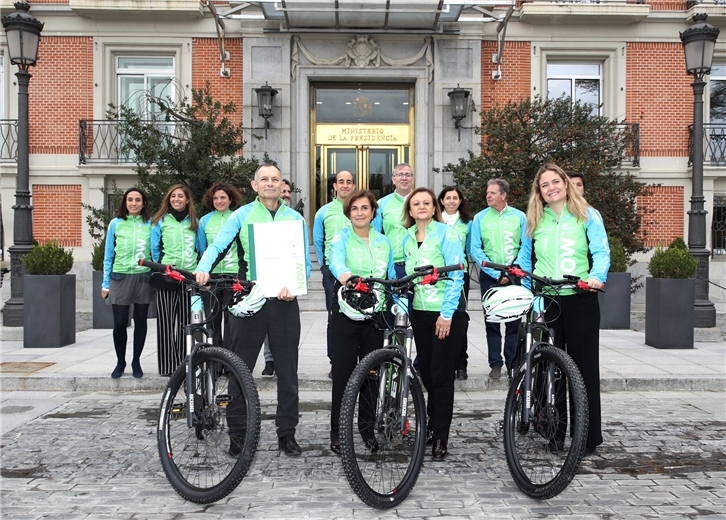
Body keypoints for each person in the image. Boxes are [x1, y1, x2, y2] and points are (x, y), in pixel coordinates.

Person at [195, 163, 312, 457]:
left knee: (288, 374)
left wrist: (295, 286)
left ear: (281, 183)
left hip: (284, 303)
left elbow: (305, 264)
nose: (270, 183)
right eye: (265, 179)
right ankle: (238, 434)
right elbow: (218, 245)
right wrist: (202, 269)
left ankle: (287, 434)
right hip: (250, 303)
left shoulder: (295, 217)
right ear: (255, 185)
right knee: (239, 371)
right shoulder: (241, 215)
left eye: (275, 179)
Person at [519, 162, 610, 457]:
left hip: (580, 298)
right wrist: (526, 289)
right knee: (552, 370)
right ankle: (555, 434)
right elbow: (524, 260)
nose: (551, 188)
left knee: (584, 370)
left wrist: (597, 276)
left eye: (555, 182)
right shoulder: (534, 221)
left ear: (565, 184)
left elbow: (600, 251)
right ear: (539, 192)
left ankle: (587, 436)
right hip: (549, 301)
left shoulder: (586, 215)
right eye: (545, 185)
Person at [327, 189, 395, 454]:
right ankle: (338, 432)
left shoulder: (383, 241)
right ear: (348, 213)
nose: (359, 213)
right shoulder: (341, 238)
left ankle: (367, 430)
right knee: (343, 375)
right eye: (354, 209)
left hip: (375, 315)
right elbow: (335, 261)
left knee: (371, 375)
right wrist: (346, 276)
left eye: (364, 208)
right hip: (347, 313)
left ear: (373, 212)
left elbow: (389, 273)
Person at [402, 187, 465, 461]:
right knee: (426, 372)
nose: (422, 207)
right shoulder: (406, 237)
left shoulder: (446, 233)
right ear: (410, 210)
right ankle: (432, 423)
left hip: (445, 314)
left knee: (441, 376)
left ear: (434, 206)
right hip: (420, 312)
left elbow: (457, 275)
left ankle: (441, 436)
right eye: (416, 203)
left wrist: (447, 314)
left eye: (426, 202)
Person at [468, 179, 528, 380]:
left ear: (504, 195)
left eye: (493, 192)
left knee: (513, 321)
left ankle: (512, 363)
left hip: (515, 275)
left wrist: (512, 272)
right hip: (490, 276)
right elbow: (474, 248)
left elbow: (525, 246)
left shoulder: (520, 217)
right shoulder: (479, 218)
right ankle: (495, 364)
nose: (488, 195)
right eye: (487, 192)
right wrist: (496, 273)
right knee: (491, 321)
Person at [151, 184, 204, 376]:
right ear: (169, 199)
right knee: (165, 321)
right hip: (166, 276)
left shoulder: (194, 222)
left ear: (187, 199)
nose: (177, 199)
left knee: (184, 323)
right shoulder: (160, 221)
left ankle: (183, 363)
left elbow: (200, 248)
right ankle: (167, 366)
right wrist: (160, 268)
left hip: (188, 277)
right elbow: (154, 249)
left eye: (180, 196)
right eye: (173, 196)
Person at [102, 187, 153, 379]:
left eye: (138, 200)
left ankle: (136, 361)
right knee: (120, 322)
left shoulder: (150, 224)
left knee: (140, 321)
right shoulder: (115, 224)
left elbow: (154, 251)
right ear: (124, 203)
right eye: (130, 200)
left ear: (143, 203)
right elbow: (108, 255)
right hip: (120, 276)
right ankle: (120, 361)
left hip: (143, 277)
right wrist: (105, 284)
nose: (134, 203)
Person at [313, 170, 355, 377]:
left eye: (349, 182)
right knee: (335, 318)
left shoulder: (360, 209)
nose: (345, 185)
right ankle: (335, 361)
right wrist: (323, 266)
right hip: (333, 275)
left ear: (353, 186)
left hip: (357, 273)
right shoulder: (324, 212)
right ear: (335, 186)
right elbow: (318, 240)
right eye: (341, 182)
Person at [198, 182, 243, 350]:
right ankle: (215, 362)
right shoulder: (204, 221)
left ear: (230, 199)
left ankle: (230, 362)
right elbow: (203, 249)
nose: (219, 201)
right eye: (215, 198)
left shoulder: (238, 217)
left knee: (232, 322)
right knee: (212, 321)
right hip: (212, 277)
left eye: (223, 197)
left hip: (234, 275)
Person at [437, 186, 472, 381]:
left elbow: (468, 249)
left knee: (459, 319)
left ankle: (461, 363)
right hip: (439, 276)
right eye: (447, 198)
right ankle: (446, 362)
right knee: (441, 317)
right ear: (441, 201)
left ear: (460, 201)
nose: (451, 201)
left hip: (459, 275)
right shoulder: (436, 222)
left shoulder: (467, 223)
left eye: (455, 198)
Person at [372, 163, 414, 279]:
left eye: (408, 175)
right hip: (393, 263)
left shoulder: (421, 202)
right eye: (400, 175)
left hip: (418, 263)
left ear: (412, 179)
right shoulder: (382, 204)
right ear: (393, 179)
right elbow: (375, 234)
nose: (404, 178)